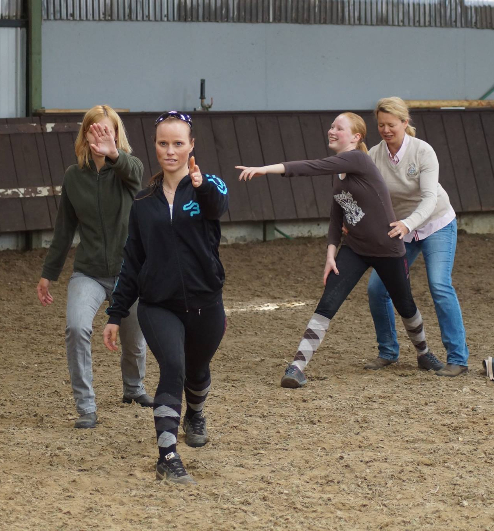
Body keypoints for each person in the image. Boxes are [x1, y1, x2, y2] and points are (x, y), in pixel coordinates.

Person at [237, 112, 445, 389]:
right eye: (332, 126)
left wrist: (265, 169)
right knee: (327, 303)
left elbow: (312, 166)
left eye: (339, 128)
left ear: (356, 137)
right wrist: (330, 253)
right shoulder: (339, 172)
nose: (332, 131)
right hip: (355, 249)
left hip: (387, 248)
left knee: (405, 304)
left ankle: (423, 353)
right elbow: (337, 215)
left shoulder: (359, 159)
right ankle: (297, 367)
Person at [103, 111, 229, 485]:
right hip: (158, 304)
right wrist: (115, 313)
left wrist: (200, 185)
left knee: (197, 370)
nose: (170, 151)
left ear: (191, 146)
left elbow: (217, 206)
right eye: (163, 143)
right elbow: (133, 261)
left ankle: (195, 413)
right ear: (155, 147)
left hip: (206, 303)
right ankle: (168, 456)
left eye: (177, 143)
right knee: (173, 368)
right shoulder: (143, 202)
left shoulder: (209, 185)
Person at [37, 105, 151, 430]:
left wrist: (114, 154)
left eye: (107, 131)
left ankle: (134, 388)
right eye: (95, 130)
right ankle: (86, 407)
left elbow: (135, 173)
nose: (100, 136)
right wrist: (48, 274)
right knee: (76, 328)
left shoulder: (129, 170)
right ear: (85, 135)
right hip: (88, 272)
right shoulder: (74, 177)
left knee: (134, 342)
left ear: (116, 135)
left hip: (129, 273)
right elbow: (64, 229)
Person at [362, 97, 470, 377]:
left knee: (439, 284)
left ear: (404, 122)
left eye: (391, 125)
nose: (386, 130)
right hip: (402, 229)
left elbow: (430, 198)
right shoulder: (374, 155)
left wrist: (407, 224)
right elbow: (367, 193)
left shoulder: (423, 151)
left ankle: (458, 358)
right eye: (381, 125)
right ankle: (388, 351)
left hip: (435, 223)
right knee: (377, 289)